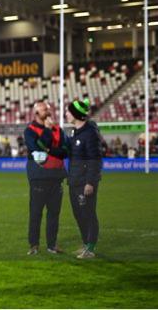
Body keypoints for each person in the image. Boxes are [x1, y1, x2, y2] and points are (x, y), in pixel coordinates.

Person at [23, 101, 68, 255]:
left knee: (54, 214)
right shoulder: (30, 130)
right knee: (36, 213)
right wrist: (48, 133)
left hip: (56, 177)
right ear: (36, 113)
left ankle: (52, 244)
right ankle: (34, 245)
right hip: (39, 177)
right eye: (44, 110)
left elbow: (64, 151)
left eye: (49, 109)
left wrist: (49, 149)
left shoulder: (58, 130)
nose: (48, 112)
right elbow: (36, 148)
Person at [65, 98, 103, 259]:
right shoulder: (74, 132)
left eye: (68, 112)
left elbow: (95, 159)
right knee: (78, 214)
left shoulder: (90, 133)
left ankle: (91, 247)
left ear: (75, 114)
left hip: (84, 182)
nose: (66, 114)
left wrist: (90, 182)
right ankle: (85, 244)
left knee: (88, 214)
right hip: (73, 180)